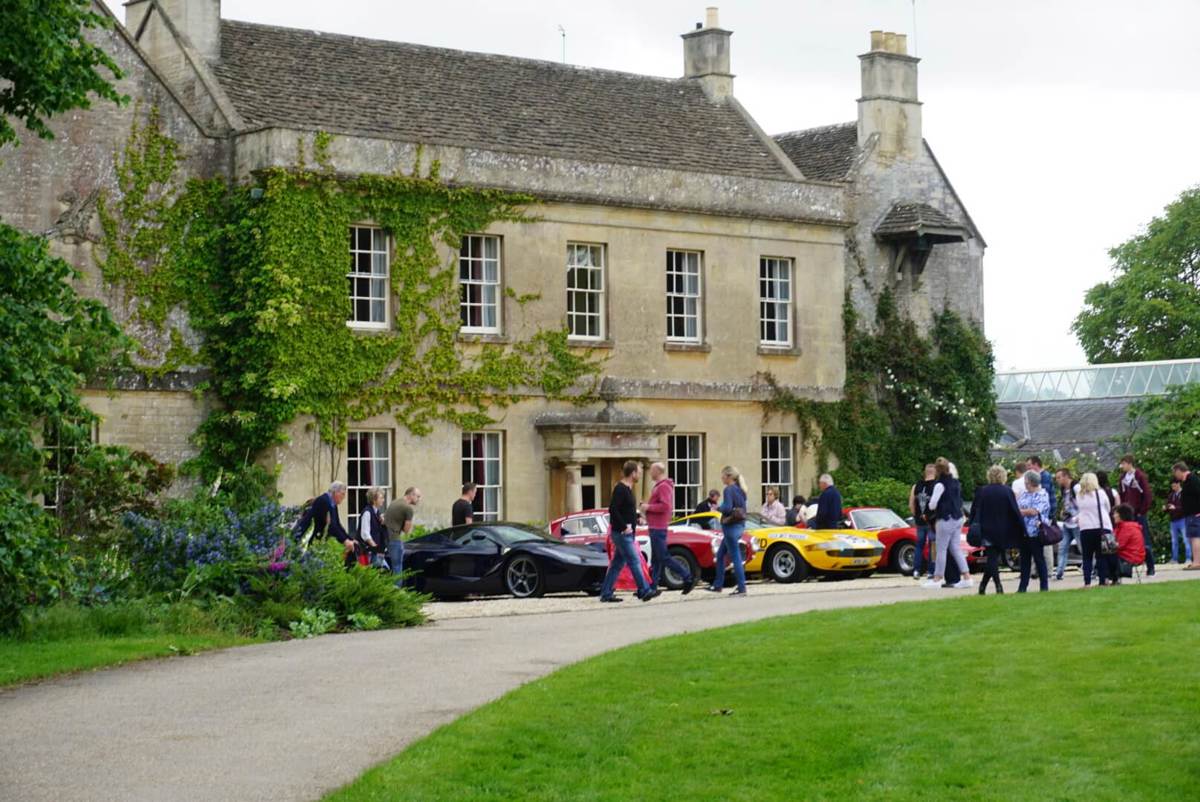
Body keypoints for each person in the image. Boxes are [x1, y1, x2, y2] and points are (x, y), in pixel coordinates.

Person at [599, 461, 659, 603]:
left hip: (626, 533)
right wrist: (623, 527)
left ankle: (606, 593)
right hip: (621, 533)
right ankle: (644, 590)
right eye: (638, 472)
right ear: (632, 473)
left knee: (617, 564)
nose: (639, 475)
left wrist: (637, 519)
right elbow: (613, 509)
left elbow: (625, 511)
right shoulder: (620, 488)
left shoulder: (627, 489)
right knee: (634, 560)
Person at [966, 465, 1024, 594]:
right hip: (1003, 529)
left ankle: (984, 585)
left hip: (986, 529)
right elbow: (1014, 511)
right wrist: (1022, 527)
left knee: (992, 558)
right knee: (993, 557)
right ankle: (997, 586)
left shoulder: (982, 491)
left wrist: (971, 524)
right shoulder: (1007, 491)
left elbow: (974, 510)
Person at [640, 462, 696, 594]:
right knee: (656, 559)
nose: (650, 473)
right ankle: (652, 587)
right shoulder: (659, 486)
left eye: (652, 470)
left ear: (658, 471)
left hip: (659, 527)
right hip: (655, 526)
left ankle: (687, 577)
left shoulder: (664, 486)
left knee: (663, 557)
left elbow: (666, 506)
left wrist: (648, 507)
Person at [922, 457, 971, 589]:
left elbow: (932, 505)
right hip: (958, 517)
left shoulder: (939, 485)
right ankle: (966, 576)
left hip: (945, 518)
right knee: (956, 548)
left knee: (941, 549)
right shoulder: (955, 482)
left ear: (937, 471)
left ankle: (937, 578)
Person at [706, 466, 749, 596]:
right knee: (720, 555)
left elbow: (728, 508)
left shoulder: (728, 490)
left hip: (731, 527)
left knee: (735, 557)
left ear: (729, 477)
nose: (721, 478)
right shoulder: (741, 490)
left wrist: (718, 507)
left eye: (723, 475)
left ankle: (741, 587)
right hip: (739, 525)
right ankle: (718, 585)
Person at [292, 481, 354, 565]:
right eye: (342, 494)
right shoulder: (324, 501)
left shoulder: (332, 504)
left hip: (318, 540)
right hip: (307, 537)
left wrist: (349, 539)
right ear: (335, 492)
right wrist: (345, 541)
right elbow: (331, 526)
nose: (344, 497)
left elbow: (337, 524)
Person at [1117, 455, 1155, 576]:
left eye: (1123, 464)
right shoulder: (1123, 478)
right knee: (1128, 538)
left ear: (1129, 463)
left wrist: (1142, 510)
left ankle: (1150, 566)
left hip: (1138, 512)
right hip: (1128, 514)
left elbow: (1147, 494)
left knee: (1144, 539)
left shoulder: (1139, 476)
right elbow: (1122, 494)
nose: (1122, 467)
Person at [1076, 472, 1114, 587]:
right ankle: (1103, 580)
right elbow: (1108, 508)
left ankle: (1087, 582)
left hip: (1085, 527)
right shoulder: (1101, 493)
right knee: (1102, 555)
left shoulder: (1079, 495)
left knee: (1087, 556)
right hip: (1102, 526)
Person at [1016, 470, 1051, 592]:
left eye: (1026, 481)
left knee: (1039, 559)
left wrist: (1020, 511)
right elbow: (1019, 506)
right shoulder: (1025, 494)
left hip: (1036, 532)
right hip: (1024, 531)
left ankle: (1044, 586)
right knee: (1024, 561)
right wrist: (1023, 511)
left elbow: (1034, 511)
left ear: (1030, 482)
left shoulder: (1042, 495)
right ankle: (1022, 587)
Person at [384, 486, 422, 580]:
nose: (419, 499)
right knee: (397, 568)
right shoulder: (408, 508)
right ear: (411, 495)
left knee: (390, 566)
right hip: (394, 539)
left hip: (386, 537)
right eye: (418, 496)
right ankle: (397, 592)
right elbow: (406, 530)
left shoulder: (395, 502)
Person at [909, 464, 937, 580]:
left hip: (919, 521)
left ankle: (916, 570)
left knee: (919, 546)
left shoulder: (916, 486)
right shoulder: (936, 486)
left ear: (925, 472)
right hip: (931, 521)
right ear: (934, 472)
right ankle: (931, 571)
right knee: (932, 546)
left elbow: (911, 504)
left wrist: (916, 516)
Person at [1030, 456, 1056, 574]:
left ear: (1036, 464)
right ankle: (1036, 570)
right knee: (1039, 541)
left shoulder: (1044, 476)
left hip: (1045, 514)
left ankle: (1048, 570)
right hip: (1043, 514)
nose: (1028, 468)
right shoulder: (1044, 476)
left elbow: (1042, 494)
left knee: (1046, 542)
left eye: (1030, 465)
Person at [1054, 468, 1081, 581]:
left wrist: (1077, 517)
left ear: (1066, 477)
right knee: (1062, 547)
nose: (1057, 480)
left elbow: (1082, 504)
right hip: (1067, 523)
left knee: (1082, 548)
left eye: (1059, 477)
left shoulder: (1076, 487)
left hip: (1077, 523)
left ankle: (1093, 568)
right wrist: (1063, 511)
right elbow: (1067, 503)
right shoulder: (1063, 489)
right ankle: (1059, 571)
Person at [1175, 462, 1200, 571]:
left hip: (1194, 513)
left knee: (1195, 537)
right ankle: (1196, 560)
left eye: (1175, 472)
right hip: (1190, 514)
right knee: (1192, 538)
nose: (1175, 476)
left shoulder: (1192, 480)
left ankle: (1197, 562)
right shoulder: (1188, 481)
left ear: (1179, 470)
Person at [1114, 503, 1146, 579]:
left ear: (1121, 515)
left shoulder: (1126, 528)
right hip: (1134, 555)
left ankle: (1109, 578)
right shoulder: (1128, 526)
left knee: (1105, 556)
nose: (1113, 516)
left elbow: (1120, 545)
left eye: (1115, 514)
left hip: (1130, 556)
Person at [357, 488, 388, 563]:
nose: (383, 500)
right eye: (381, 498)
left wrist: (383, 523)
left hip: (376, 550)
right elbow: (365, 534)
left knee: (383, 571)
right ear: (374, 500)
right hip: (368, 551)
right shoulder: (367, 512)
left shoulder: (377, 512)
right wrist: (375, 548)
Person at [1166, 479, 1192, 565]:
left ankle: (1188, 558)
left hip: (1182, 519)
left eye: (1174, 486)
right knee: (1174, 541)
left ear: (1178, 484)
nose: (1173, 488)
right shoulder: (1171, 495)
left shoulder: (1184, 494)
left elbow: (1186, 507)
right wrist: (1166, 508)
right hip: (1173, 520)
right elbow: (1169, 505)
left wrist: (1175, 508)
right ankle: (1174, 559)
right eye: (1172, 486)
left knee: (1186, 539)